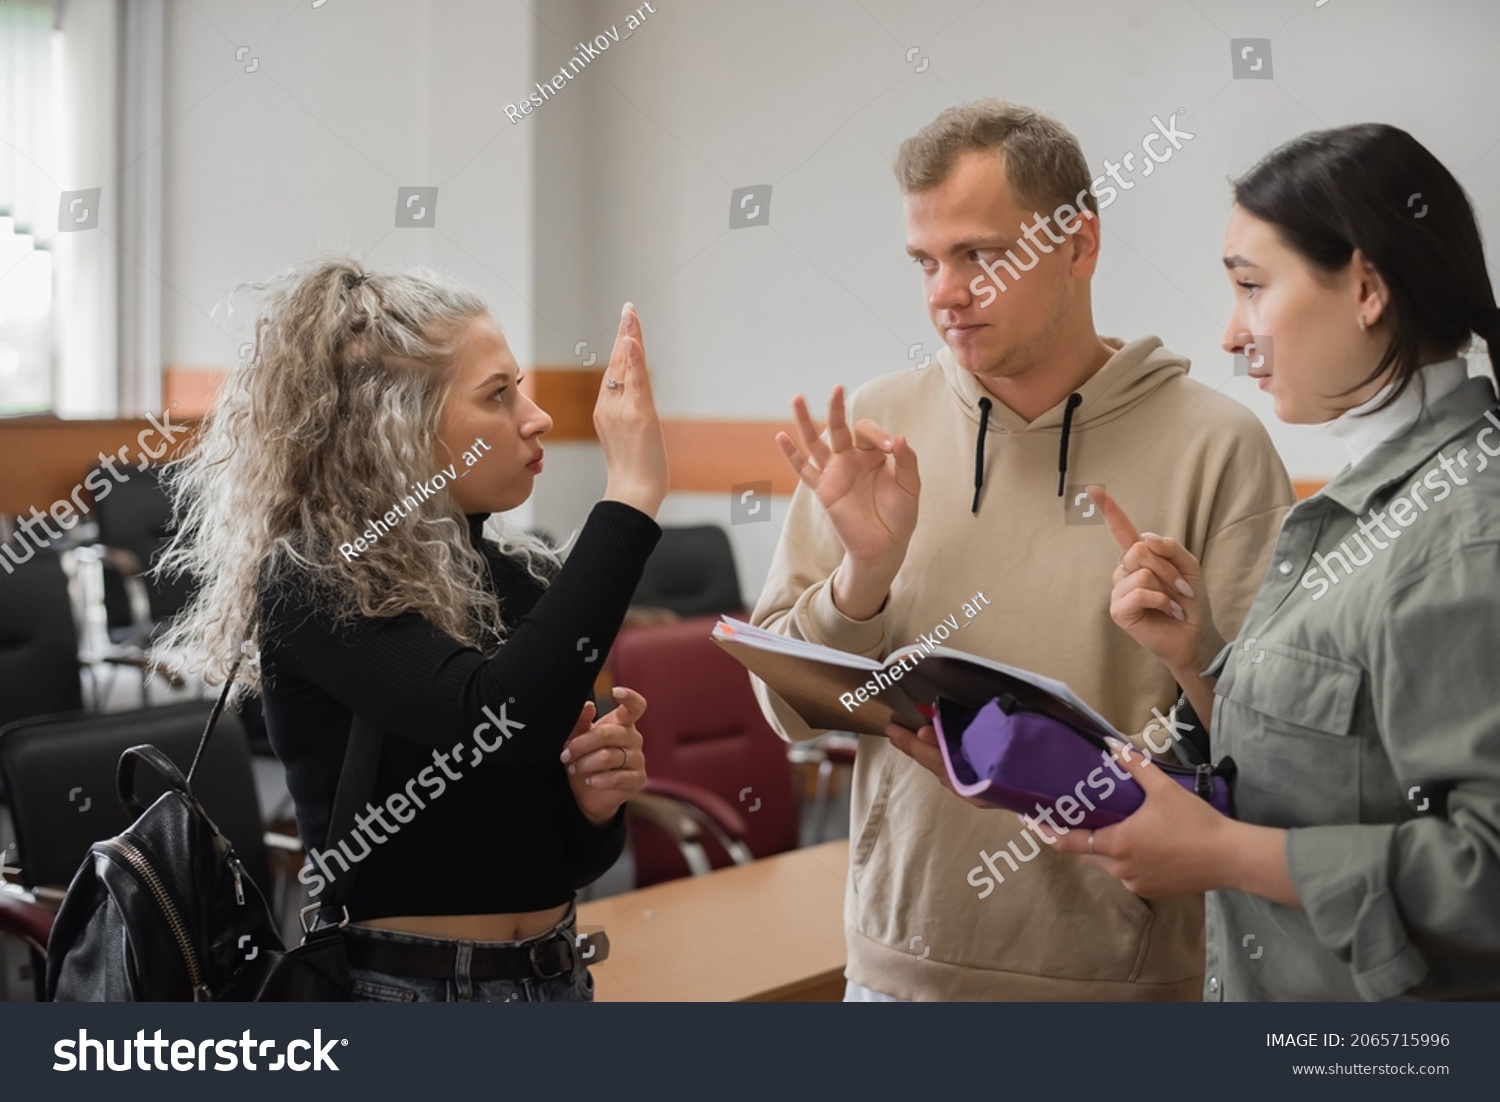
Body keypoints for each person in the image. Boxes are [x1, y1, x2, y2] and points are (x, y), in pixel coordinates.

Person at [749, 99, 1294, 1001]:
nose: (943, 294)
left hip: (1125, 989)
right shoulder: (871, 435)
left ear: (1079, 245)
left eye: (981, 255)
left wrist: (1193, 653)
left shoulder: (1219, 448)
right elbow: (787, 715)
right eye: (925, 261)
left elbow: (1271, 758)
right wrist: (862, 583)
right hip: (896, 976)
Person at [1043, 123, 1500, 1000]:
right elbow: (1339, 773)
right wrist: (1197, 657)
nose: (1229, 334)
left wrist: (1225, 854)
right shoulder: (1369, 498)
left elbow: (1483, 872)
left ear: (1366, 288)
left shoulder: (1465, 535)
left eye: (1252, 288)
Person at [154, 260, 668, 1002]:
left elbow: (554, 845)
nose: (536, 416)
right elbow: (496, 720)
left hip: (553, 974)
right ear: (400, 427)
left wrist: (594, 800)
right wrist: (631, 497)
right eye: (498, 395)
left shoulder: (519, 576)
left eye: (519, 386)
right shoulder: (314, 581)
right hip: (404, 991)